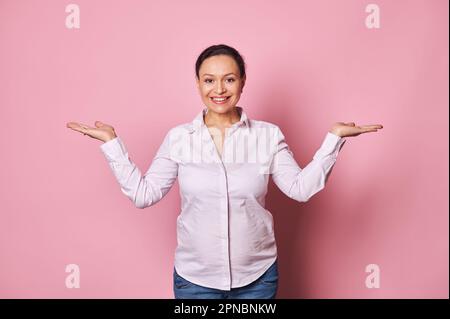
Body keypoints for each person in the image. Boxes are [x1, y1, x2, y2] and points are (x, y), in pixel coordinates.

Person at [66, 44, 383, 299]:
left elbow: (300, 188)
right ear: (198, 83)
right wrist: (111, 144)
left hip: (257, 279)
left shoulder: (267, 136)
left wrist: (334, 141)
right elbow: (143, 194)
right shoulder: (179, 138)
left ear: (243, 82)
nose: (219, 88)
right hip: (195, 281)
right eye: (209, 80)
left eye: (229, 79)